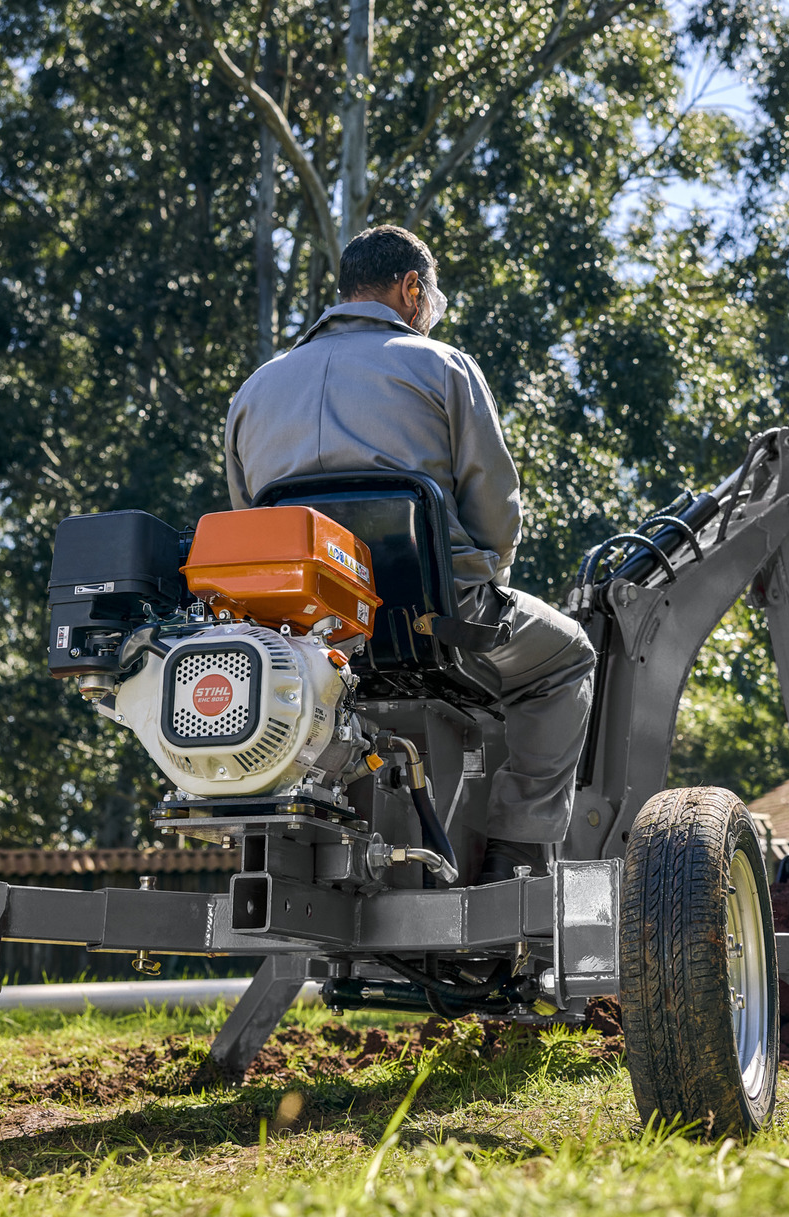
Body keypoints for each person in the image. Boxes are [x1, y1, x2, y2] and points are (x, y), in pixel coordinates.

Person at [223, 225, 594, 883]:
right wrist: (484, 587)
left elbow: (250, 528)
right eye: (432, 295)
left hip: (312, 638)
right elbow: (495, 513)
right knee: (568, 660)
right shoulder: (443, 366)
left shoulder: (255, 391)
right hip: (435, 623)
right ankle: (514, 850)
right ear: (411, 289)